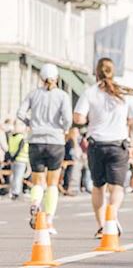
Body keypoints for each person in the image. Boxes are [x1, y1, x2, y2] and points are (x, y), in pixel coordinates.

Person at [72, 57, 133, 236]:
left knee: (98, 186)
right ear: (113, 71)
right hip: (119, 145)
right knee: (117, 186)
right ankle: (113, 214)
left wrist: (90, 119)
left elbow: (78, 118)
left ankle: (102, 225)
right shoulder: (123, 92)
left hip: (97, 145)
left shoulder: (90, 92)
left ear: (96, 72)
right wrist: (124, 122)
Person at [17, 64, 73, 230]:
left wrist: (31, 124)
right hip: (55, 141)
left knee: (37, 180)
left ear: (41, 78)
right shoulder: (62, 96)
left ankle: (35, 202)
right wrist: (63, 129)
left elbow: (20, 113)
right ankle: (48, 220)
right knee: (53, 183)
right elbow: (68, 118)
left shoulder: (33, 94)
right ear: (57, 78)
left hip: (36, 140)